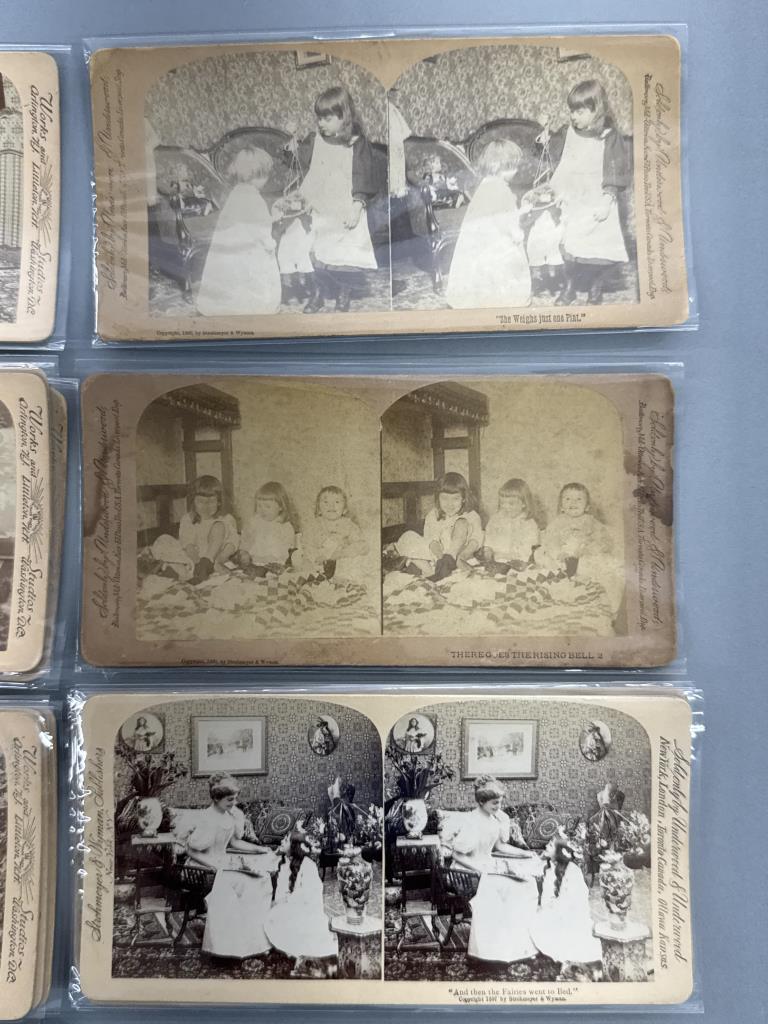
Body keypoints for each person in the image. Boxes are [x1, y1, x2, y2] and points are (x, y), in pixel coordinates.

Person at [298, 86, 381, 313]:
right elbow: (306, 168)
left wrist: (357, 205)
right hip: (321, 206)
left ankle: (344, 291)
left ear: (344, 117)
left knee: (344, 253)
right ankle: (318, 293)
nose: (321, 124)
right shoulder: (316, 140)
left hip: (345, 206)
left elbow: (363, 175)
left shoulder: (357, 143)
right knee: (316, 250)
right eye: (319, 118)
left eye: (327, 119)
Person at [548, 80, 631, 306]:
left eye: (580, 111)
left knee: (600, 249)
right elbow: (561, 159)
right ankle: (569, 288)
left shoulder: (609, 136)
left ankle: (596, 286)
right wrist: (543, 141)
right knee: (569, 245)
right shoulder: (568, 132)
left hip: (599, 199)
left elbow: (615, 167)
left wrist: (608, 198)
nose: (573, 116)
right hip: (574, 198)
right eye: (571, 111)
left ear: (597, 110)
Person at [449, 775, 540, 963]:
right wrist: (480, 869)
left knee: (526, 883)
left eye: (499, 802)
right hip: (466, 871)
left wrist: (526, 853)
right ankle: (490, 949)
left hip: (487, 866)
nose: (498, 807)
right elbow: (456, 855)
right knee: (507, 887)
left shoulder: (495, 820)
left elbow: (500, 847)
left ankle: (515, 943)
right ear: (481, 801)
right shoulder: (471, 821)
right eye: (494, 803)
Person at [185, 773, 276, 959]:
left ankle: (253, 938)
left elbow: (234, 842)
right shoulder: (207, 819)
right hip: (201, 866)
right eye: (229, 799)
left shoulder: (229, 815)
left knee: (261, 879)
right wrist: (215, 866)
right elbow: (190, 850)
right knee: (245, 883)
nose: (234, 803)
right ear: (216, 798)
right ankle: (228, 944)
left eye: (235, 798)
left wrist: (259, 849)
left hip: (223, 862)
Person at [445, 139, 532, 310]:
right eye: (513, 168)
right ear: (501, 168)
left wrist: (519, 211)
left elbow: (493, 213)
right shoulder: (503, 191)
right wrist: (518, 234)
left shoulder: (485, 185)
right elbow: (507, 221)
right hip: (496, 240)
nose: (516, 172)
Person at [197, 146, 281, 317]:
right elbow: (261, 230)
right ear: (258, 176)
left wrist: (270, 218)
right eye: (265, 175)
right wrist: (271, 242)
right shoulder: (255, 198)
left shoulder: (236, 193)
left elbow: (244, 222)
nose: (266, 180)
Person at [265, 825, 337, 970]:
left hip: (304, 909)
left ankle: (292, 951)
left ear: (294, 846)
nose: (281, 842)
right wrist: (279, 902)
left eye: (285, 840)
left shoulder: (308, 865)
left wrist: (284, 902)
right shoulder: (284, 861)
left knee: (278, 919)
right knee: (269, 916)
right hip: (289, 904)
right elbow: (281, 888)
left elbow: (308, 895)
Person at [149, 475, 239, 586]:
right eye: (201, 501)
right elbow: (187, 543)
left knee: (218, 526)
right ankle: (186, 572)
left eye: (211, 501)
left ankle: (205, 565)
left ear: (219, 502)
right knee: (163, 540)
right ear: (193, 501)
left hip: (215, 556)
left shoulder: (226, 519)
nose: (206, 506)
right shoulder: (188, 519)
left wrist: (220, 560)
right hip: (193, 557)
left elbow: (232, 543)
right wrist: (197, 562)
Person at [529, 829, 601, 967]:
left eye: (550, 845)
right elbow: (546, 894)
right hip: (556, 909)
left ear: (558, 852)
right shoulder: (551, 867)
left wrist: (548, 911)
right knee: (533, 917)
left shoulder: (572, 871)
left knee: (536, 923)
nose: (546, 846)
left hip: (568, 916)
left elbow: (570, 904)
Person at [392, 472, 483, 582]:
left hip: (460, 554)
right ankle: (431, 571)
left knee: (461, 523)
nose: (450, 504)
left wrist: (461, 557)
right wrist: (440, 558)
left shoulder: (471, 515)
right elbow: (432, 540)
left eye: (455, 499)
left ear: (463, 498)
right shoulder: (433, 515)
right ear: (438, 498)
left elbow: (475, 541)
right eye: (444, 498)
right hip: (438, 556)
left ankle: (448, 560)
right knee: (407, 537)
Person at [535, 482, 614, 579]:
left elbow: (603, 540)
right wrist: (558, 553)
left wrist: (588, 549)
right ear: (561, 507)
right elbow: (550, 539)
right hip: (562, 556)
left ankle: (583, 577)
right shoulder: (558, 522)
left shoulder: (591, 521)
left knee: (600, 560)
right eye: (568, 499)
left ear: (587, 507)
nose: (573, 502)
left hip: (582, 556)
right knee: (541, 553)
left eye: (579, 499)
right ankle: (558, 573)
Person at [297, 485, 369, 582]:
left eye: (337, 502)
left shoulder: (348, 525)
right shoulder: (314, 525)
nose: (331, 506)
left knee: (355, 565)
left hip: (339, 562)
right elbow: (307, 544)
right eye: (326, 502)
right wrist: (315, 557)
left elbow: (362, 545)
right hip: (317, 562)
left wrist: (342, 553)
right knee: (299, 559)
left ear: (344, 509)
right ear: (318, 509)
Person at [237, 481, 298, 575]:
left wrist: (273, 560)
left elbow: (288, 551)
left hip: (274, 566)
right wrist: (244, 552)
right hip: (253, 563)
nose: (262, 510)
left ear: (281, 507)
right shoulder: (254, 522)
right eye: (259, 506)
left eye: (267, 506)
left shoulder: (285, 526)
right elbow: (246, 540)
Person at [481, 478, 540, 572]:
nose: (505, 507)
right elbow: (488, 542)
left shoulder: (529, 524)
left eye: (511, 504)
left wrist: (510, 558)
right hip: (496, 563)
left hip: (520, 565)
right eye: (502, 503)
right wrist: (488, 553)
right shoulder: (495, 520)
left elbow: (528, 551)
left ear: (524, 504)